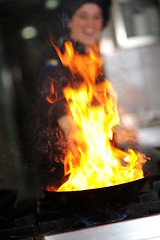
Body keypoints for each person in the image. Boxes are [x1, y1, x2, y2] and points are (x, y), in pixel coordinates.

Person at [34, 0, 112, 187]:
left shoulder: (92, 57)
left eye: (96, 17)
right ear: (69, 21)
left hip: (94, 157)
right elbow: (48, 94)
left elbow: (100, 107)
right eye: (83, 17)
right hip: (65, 164)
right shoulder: (56, 55)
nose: (91, 23)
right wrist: (70, 127)